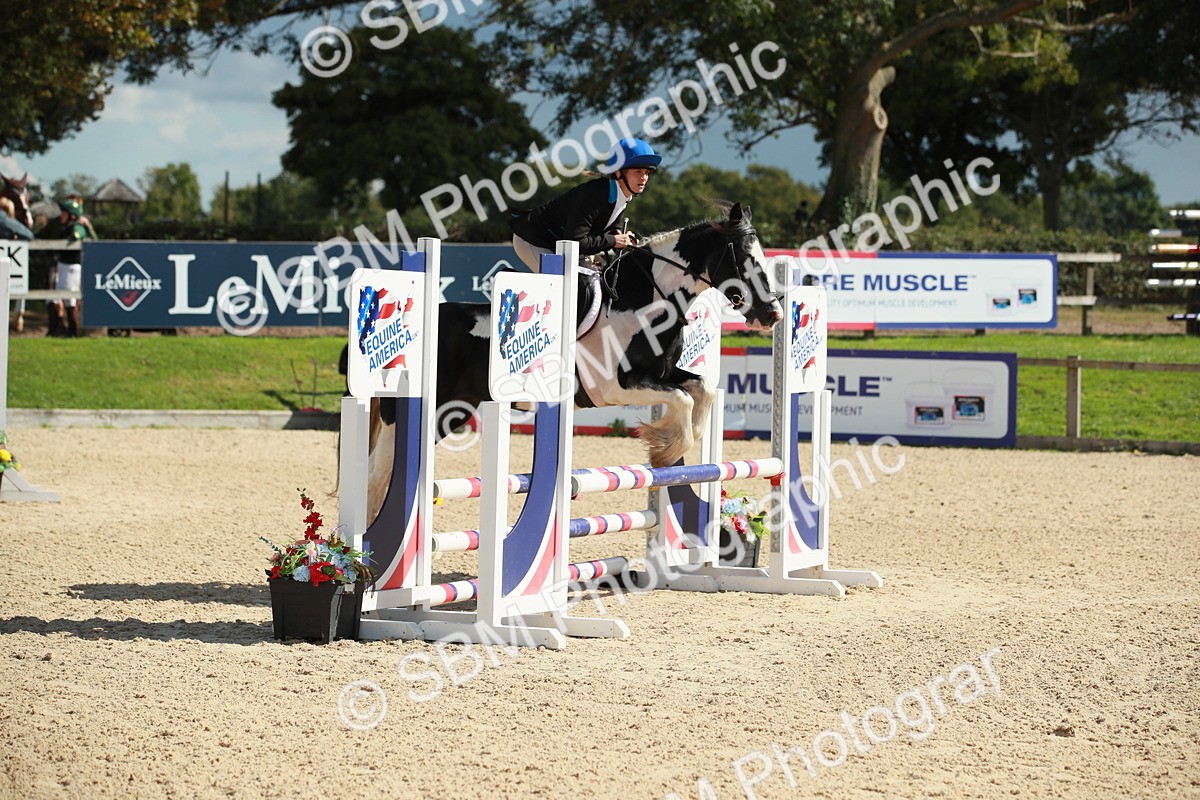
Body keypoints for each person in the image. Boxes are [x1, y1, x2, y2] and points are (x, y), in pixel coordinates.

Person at [509, 137, 662, 272]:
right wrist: (614, 240)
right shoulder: (595, 195)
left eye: (647, 173)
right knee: (560, 284)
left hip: (558, 245)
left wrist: (623, 239)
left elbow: (612, 231)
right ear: (618, 173)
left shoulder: (621, 198)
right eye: (638, 172)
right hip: (533, 239)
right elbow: (575, 241)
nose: (644, 178)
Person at [40, 197, 94, 338]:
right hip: (62, 266)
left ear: (72, 215)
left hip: (71, 268)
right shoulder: (63, 226)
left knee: (70, 298)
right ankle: (56, 329)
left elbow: (77, 236)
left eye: (64, 213)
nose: (61, 215)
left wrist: (79, 231)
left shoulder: (77, 227)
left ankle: (72, 331)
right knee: (54, 298)